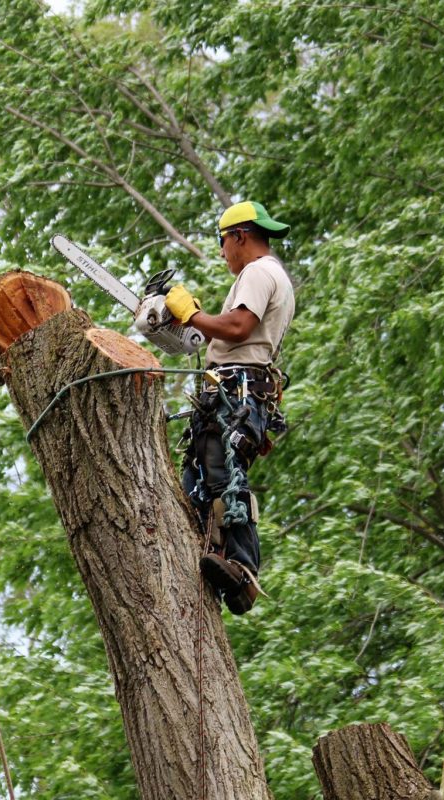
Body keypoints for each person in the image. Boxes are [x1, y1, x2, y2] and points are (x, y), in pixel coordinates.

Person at [165, 201, 295, 614]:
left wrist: (195, 315)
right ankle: (212, 552)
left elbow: (238, 326)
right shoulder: (270, 275)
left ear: (239, 235)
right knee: (197, 480)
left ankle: (243, 570)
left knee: (223, 473)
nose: (223, 253)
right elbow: (232, 333)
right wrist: (192, 324)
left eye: (223, 243)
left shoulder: (258, 272)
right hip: (229, 389)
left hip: (238, 389)